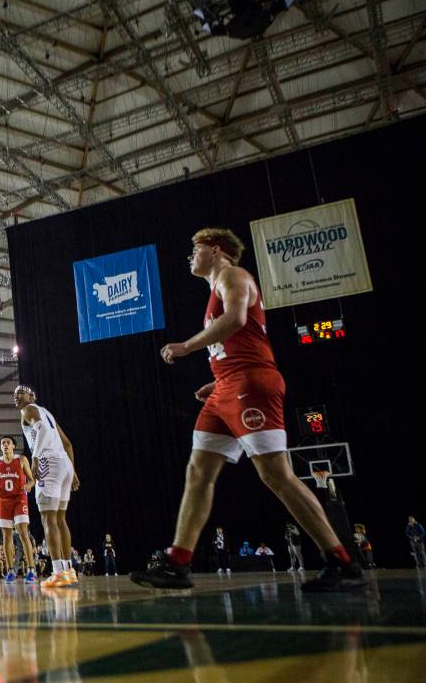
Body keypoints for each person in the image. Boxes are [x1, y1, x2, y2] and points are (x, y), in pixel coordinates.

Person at [130, 228, 366, 592]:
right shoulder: (216, 287)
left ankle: (341, 560)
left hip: (249, 384)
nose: (190, 257)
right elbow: (237, 340)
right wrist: (217, 379)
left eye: (194, 249)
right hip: (227, 386)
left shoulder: (233, 275)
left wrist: (187, 347)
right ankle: (177, 563)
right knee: (198, 471)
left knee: (276, 475)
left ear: (214, 248)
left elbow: (237, 320)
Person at [12, 385, 79, 588]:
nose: (16, 397)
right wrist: (72, 470)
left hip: (48, 462)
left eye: (20, 393)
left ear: (32, 396)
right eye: (14, 395)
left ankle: (58, 572)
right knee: (60, 518)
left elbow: (40, 430)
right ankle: (69, 570)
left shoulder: (29, 409)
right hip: (64, 464)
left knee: (48, 518)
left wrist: (35, 458)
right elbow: (68, 444)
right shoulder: (47, 412)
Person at [0, 435, 37, 584]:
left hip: (19, 499)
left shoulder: (21, 460)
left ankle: (31, 570)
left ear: (13, 446)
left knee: (23, 533)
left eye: (8, 443)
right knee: (6, 536)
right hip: (3, 501)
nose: (5, 445)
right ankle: (10, 571)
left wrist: (29, 486)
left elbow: (32, 479)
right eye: (3, 443)